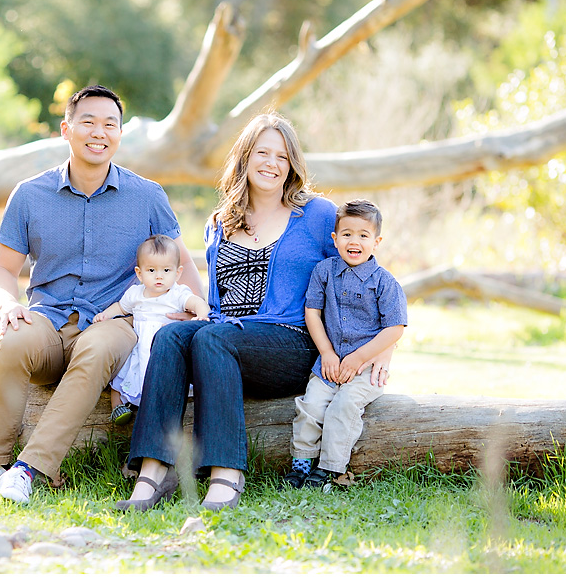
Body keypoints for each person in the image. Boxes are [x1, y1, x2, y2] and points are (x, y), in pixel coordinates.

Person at [118, 113, 394, 512]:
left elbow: (367, 273)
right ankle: (152, 475)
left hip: (292, 344)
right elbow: (217, 299)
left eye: (282, 156)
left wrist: (382, 348)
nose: (271, 163)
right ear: (245, 158)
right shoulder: (221, 221)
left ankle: (226, 475)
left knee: (214, 337)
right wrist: (194, 319)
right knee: (172, 335)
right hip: (226, 340)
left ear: (292, 165)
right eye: (262, 152)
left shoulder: (316, 215)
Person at [0, 85, 203, 504]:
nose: (99, 132)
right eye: (88, 121)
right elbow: (1, 270)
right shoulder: (30, 195)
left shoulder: (147, 196)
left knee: (97, 348)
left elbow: (185, 268)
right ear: (65, 130)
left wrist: (194, 320)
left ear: (120, 134)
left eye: (111, 124)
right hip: (48, 320)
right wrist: (9, 303)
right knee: (11, 341)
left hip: (114, 323)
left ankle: (27, 470)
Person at [284, 199, 408, 489]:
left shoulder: (385, 283)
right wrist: (326, 352)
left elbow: (395, 328)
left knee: (343, 407)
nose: (355, 241)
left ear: (376, 242)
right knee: (310, 406)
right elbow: (312, 312)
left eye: (363, 235)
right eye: (347, 234)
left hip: (365, 368)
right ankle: (300, 464)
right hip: (330, 363)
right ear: (335, 239)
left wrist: (360, 358)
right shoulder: (324, 272)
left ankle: (328, 469)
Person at [94, 234, 211, 426]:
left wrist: (201, 314)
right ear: (139, 274)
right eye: (151, 270)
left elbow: (196, 302)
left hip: (163, 347)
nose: (159, 276)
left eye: (166, 270)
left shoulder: (177, 293)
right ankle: (118, 407)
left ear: (178, 272)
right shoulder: (136, 294)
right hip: (140, 346)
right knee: (122, 374)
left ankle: (164, 409)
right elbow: (121, 308)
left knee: (166, 377)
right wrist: (106, 315)